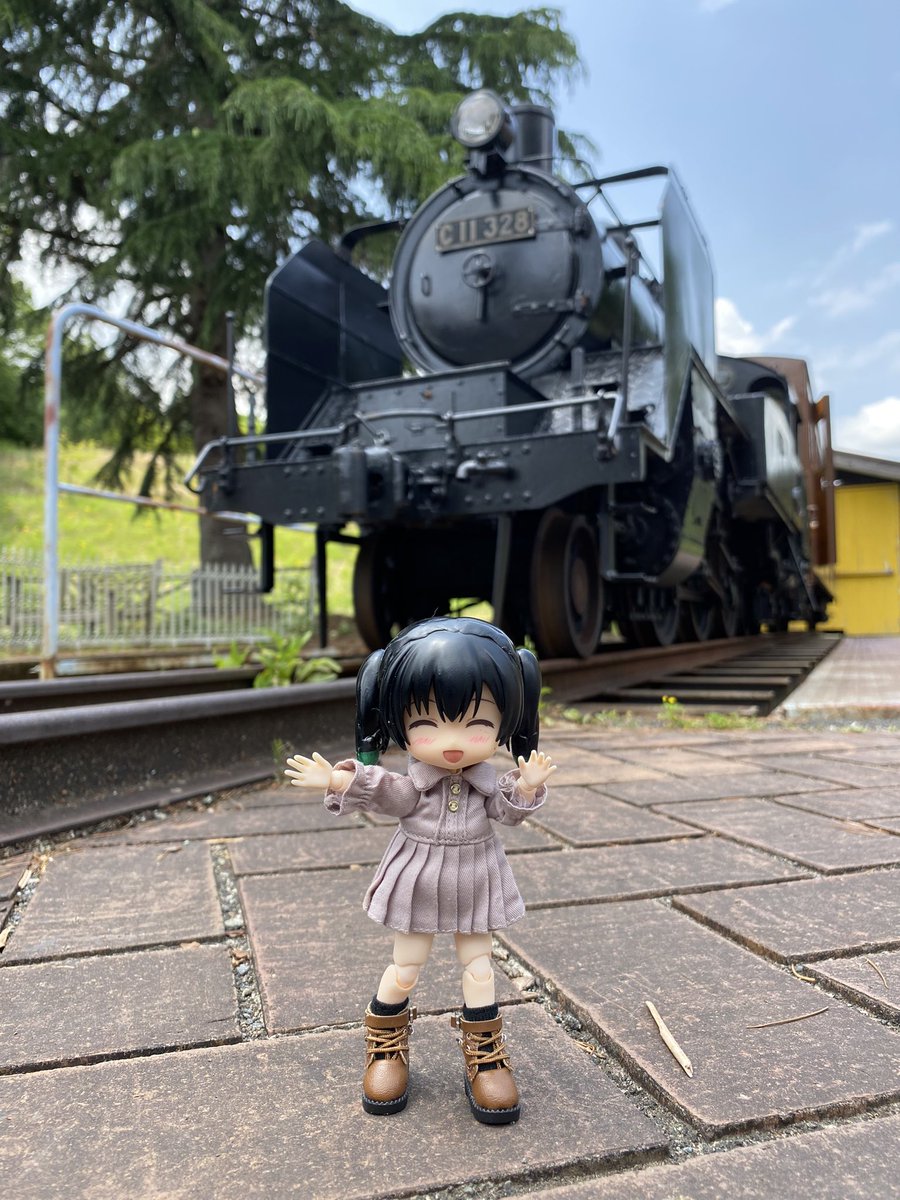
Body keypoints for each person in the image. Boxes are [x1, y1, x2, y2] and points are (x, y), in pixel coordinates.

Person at [285, 616, 555, 1125]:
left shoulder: (485, 786)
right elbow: (386, 791)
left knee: (480, 967)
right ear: (398, 723)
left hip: (476, 877)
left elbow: (507, 811)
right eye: (426, 724)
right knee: (405, 966)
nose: (452, 741)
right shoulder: (415, 786)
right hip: (419, 878)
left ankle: (485, 1054)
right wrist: (339, 781)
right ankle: (386, 1043)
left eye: (478, 724)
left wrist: (526, 785)